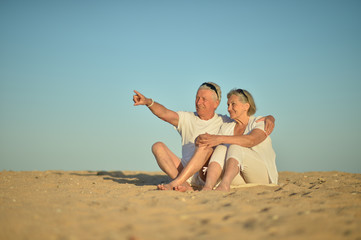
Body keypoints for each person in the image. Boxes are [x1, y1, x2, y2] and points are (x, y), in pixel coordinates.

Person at [133, 83, 275, 190]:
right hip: (185, 171)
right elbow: (164, 113)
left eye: (204, 99)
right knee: (158, 146)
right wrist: (148, 102)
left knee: (220, 145)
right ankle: (185, 183)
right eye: (197, 98)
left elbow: (250, 137)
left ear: (216, 103)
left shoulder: (226, 120)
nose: (199, 102)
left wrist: (270, 117)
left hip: (209, 172)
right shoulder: (191, 119)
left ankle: (180, 183)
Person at [197, 88, 278, 191]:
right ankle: (208, 186)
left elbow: (251, 140)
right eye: (228, 105)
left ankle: (225, 184)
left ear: (246, 106)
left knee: (235, 146)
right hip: (238, 178)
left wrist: (219, 138)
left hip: (262, 177)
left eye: (233, 104)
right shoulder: (227, 127)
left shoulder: (259, 122)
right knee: (221, 148)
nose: (229, 108)